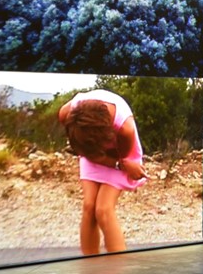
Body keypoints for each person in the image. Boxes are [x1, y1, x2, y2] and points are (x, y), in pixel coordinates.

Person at [58, 89, 147, 255]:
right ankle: (90, 266)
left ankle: (116, 272)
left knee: (103, 210)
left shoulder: (124, 128)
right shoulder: (67, 113)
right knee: (89, 206)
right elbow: (76, 136)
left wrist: (122, 164)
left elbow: (122, 160)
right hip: (89, 144)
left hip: (120, 157)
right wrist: (85, 150)